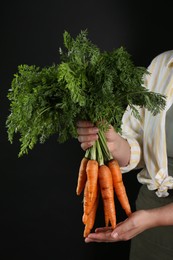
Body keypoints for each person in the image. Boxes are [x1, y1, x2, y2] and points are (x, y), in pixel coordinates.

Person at [76, 50, 173, 260]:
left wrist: (151, 219)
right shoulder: (162, 65)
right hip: (148, 223)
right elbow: (138, 147)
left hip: (150, 220)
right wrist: (113, 143)